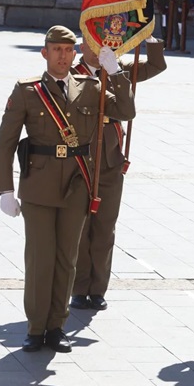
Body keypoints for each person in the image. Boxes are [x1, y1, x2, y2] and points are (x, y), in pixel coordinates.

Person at [0, 26, 134, 353]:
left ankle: (57, 326)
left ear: (75, 54)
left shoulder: (91, 86)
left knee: (67, 259)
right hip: (38, 186)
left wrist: (116, 72)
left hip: (76, 184)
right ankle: (36, 327)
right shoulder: (28, 91)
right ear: (44, 53)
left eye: (67, 50)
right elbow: (6, 141)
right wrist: (5, 189)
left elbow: (126, 112)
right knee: (40, 259)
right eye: (55, 49)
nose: (61, 55)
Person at [70, 36, 166, 312]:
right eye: (91, 44)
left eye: (101, 44)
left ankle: (98, 289)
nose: (98, 49)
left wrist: (151, 40)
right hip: (81, 160)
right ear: (81, 48)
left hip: (111, 160)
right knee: (80, 227)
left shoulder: (117, 68)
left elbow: (157, 66)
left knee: (104, 228)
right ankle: (79, 288)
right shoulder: (72, 75)